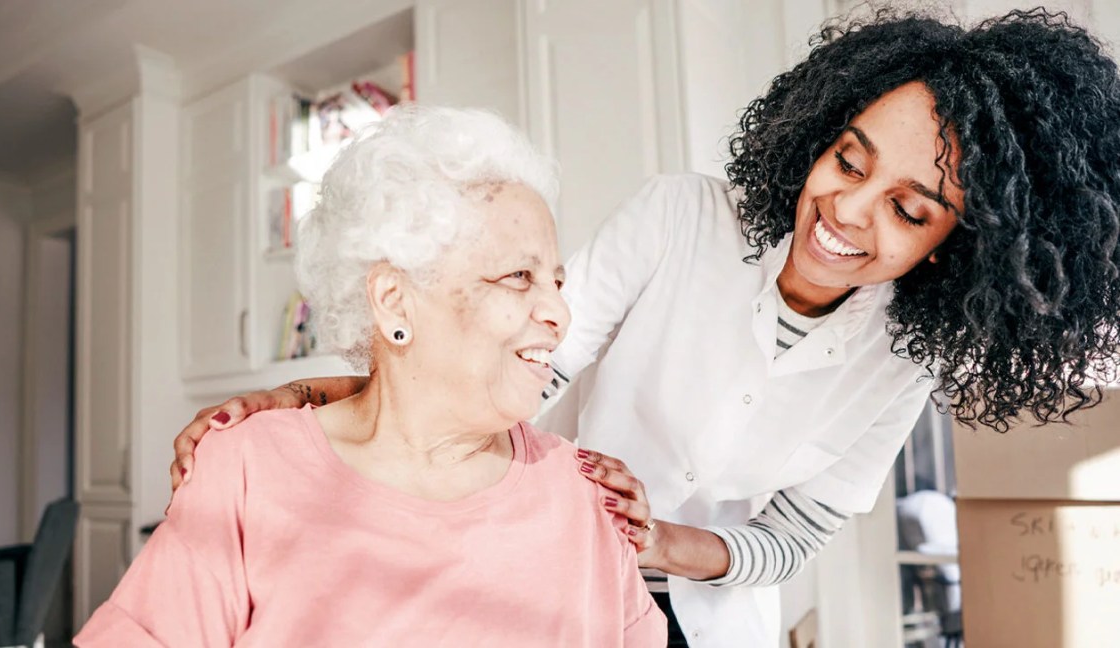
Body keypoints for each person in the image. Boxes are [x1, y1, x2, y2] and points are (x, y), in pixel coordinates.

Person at [169, 8, 1120, 647]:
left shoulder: (904, 358)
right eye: (847, 159)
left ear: (962, 246)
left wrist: (660, 542)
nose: (846, 211)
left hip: (714, 618)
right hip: (552, 575)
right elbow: (524, 363)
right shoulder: (679, 219)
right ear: (820, 130)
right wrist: (316, 405)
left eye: (909, 211)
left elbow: (792, 537)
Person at [75, 106, 667, 647]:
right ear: (394, 301)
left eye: (557, 283)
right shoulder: (248, 469)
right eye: (518, 275)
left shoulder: (589, 494)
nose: (560, 314)